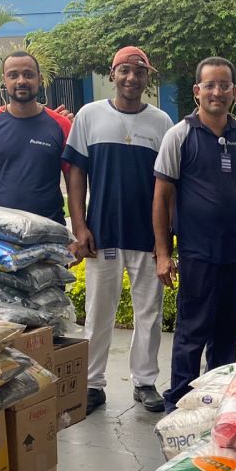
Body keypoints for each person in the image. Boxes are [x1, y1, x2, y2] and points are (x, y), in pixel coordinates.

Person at [153, 56, 236, 411]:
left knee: (226, 335)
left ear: (234, 92)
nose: (217, 92)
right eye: (209, 85)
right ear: (197, 91)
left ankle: (215, 405)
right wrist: (164, 254)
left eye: (224, 85)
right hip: (197, 254)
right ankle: (177, 405)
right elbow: (161, 199)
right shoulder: (179, 136)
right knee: (191, 335)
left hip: (235, 253)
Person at [64, 46, 173, 415]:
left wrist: (165, 244)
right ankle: (92, 384)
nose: (131, 78)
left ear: (147, 77)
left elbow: (169, 185)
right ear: (112, 74)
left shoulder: (161, 123)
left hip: (147, 235)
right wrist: (80, 226)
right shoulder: (90, 116)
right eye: (124, 70)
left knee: (149, 312)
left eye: (139, 72)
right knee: (98, 312)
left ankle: (144, 381)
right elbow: (76, 173)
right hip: (103, 233)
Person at [0, 49, 72, 221]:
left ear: (40, 79)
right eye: (13, 75)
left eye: (28, 75)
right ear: (4, 80)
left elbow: (73, 184)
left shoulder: (61, 125)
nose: (21, 81)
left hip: (51, 230)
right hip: (3, 233)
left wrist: (78, 229)